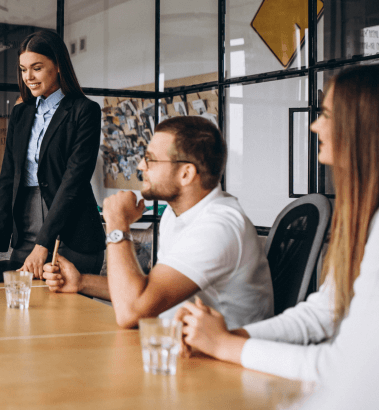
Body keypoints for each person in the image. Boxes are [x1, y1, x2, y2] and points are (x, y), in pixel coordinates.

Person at [178, 65, 379, 388]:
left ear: (362, 126)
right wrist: (227, 337)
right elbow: (321, 314)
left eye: (326, 114)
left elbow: (345, 370)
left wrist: (226, 345)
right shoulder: (365, 216)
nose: (314, 126)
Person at [43, 116, 273, 329]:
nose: (141, 167)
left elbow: (131, 312)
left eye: (150, 159)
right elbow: (149, 292)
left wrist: (117, 224)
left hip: (220, 363)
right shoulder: (175, 214)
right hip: (181, 347)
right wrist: (81, 282)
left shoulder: (217, 227)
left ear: (186, 173)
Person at [0, 30, 105, 277]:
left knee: (65, 314)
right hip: (26, 229)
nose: (28, 77)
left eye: (36, 68)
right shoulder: (21, 113)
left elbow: (73, 182)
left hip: (73, 235)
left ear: (58, 65)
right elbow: (7, 179)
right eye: (23, 69)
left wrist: (43, 243)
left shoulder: (85, 111)